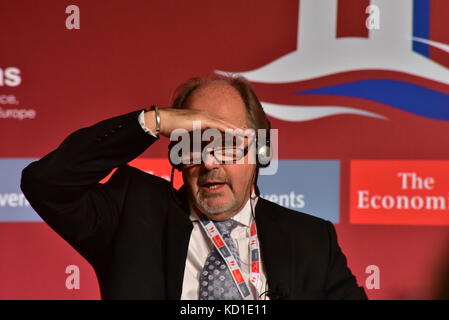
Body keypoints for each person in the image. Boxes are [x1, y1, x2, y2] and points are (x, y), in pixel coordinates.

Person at [20, 75, 367, 300]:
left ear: (260, 151)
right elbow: (45, 184)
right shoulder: (132, 211)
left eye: (229, 143)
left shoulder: (310, 239)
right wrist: (153, 121)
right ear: (176, 153)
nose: (211, 162)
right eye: (196, 143)